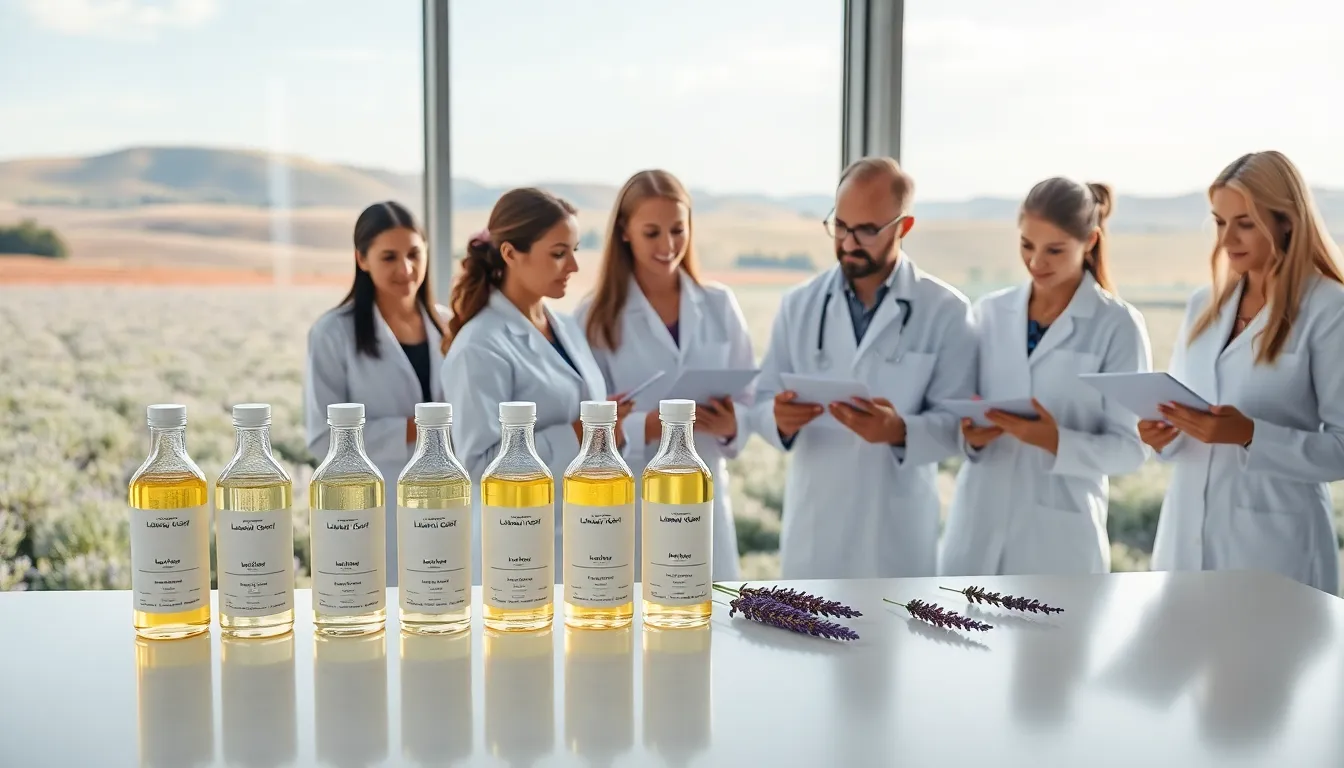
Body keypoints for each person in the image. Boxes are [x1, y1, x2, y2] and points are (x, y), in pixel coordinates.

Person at [752, 156, 977, 579]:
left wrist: (899, 431)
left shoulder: (945, 311)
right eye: (840, 225)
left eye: (867, 230)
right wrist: (777, 419)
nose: (849, 242)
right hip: (815, 528)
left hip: (894, 531)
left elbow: (959, 425)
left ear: (903, 227)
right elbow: (760, 402)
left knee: (895, 640)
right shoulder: (799, 304)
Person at [1141, 151, 1344, 594]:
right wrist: (1165, 435)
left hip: (1276, 553)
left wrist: (1251, 434)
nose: (1227, 238)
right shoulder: (1203, 307)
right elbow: (1187, 413)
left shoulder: (1330, 309)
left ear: (1287, 221)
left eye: (1245, 223)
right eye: (1218, 222)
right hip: (1184, 540)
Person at [938, 178, 1153, 577]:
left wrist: (1055, 441)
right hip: (976, 530)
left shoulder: (1117, 325)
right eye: (1027, 245)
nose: (1037, 262)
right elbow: (960, 413)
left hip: (1059, 545)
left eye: (1054, 250)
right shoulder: (990, 312)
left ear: (1090, 241)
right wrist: (972, 436)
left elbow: (1131, 448)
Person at [441, 187, 629, 585]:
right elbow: (479, 464)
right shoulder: (480, 346)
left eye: (576, 250)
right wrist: (580, 435)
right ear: (510, 254)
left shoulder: (564, 327)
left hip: (584, 532)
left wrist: (603, 424)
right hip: (518, 547)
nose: (574, 266)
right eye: (559, 253)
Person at [577, 169, 755, 581]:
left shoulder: (718, 304)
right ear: (625, 231)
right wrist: (649, 426)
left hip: (705, 490)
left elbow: (750, 396)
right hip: (636, 495)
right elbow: (591, 421)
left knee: (711, 614)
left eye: (678, 230)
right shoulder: (596, 316)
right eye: (652, 232)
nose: (668, 245)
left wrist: (733, 424)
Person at [304, 201, 449, 587]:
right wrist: (419, 430)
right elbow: (322, 438)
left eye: (414, 254)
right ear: (361, 259)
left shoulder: (449, 324)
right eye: (389, 257)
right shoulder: (332, 334)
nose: (406, 270)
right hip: (372, 511)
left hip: (447, 505)